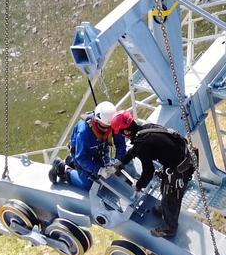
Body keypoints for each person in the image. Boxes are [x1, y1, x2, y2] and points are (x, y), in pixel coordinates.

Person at [104, 110, 197, 238]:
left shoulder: (142, 144)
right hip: (183, 156)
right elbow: (135, 150)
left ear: (126, 131)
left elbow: (148, 172)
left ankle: (169, 228)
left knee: (170, 195)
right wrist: (121, 162)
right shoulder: (146, 129)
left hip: (180, 168)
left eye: (121, 133)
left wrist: (138, 186)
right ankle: (165, 209)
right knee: (165, 188)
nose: (122, 136)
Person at [48, 101, 125, 190]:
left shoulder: (112, 124)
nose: (106, 131)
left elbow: (121, 144)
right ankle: (62, 168)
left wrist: (118, 161)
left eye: (109, 127)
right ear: (96, 120)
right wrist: (99, 170)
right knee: (89, 185)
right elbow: (81, 158)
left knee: (116, 175)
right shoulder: (84, 132)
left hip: (100, 153)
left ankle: (71, 162)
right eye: (103, 127)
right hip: (84, 157)